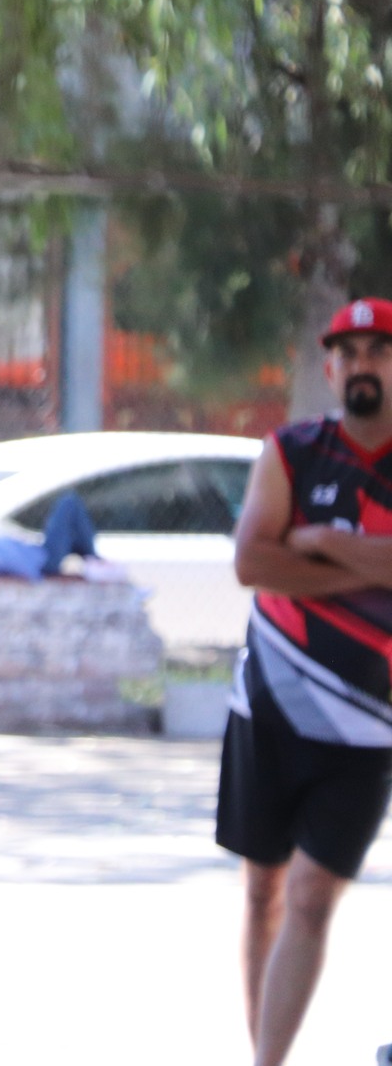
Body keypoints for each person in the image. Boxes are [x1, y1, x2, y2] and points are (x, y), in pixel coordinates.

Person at [226, 297, 392, 1066]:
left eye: (379, 350)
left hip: (369, 722)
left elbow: (282, 558)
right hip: (270, 704)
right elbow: (252, 562)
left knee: (312, 896)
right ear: (330, 368)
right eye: (348, 352)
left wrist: (321, 542)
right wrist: (369, 562)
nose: (363, 364)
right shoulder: (291, 450)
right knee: (262, 891)